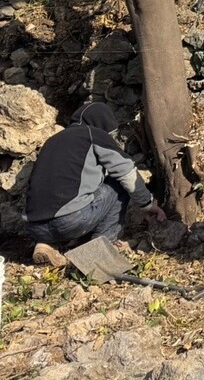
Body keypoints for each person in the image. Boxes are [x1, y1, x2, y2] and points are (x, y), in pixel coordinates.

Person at [24, 103, 167, 265]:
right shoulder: (93, 134)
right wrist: (147, 205)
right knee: (117, 184)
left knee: (70, 200)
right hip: (70, 222)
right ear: (103, 124)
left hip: (35, 227)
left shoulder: (52, 141)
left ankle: (46, 244)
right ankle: (101, 249)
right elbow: (126, 171)